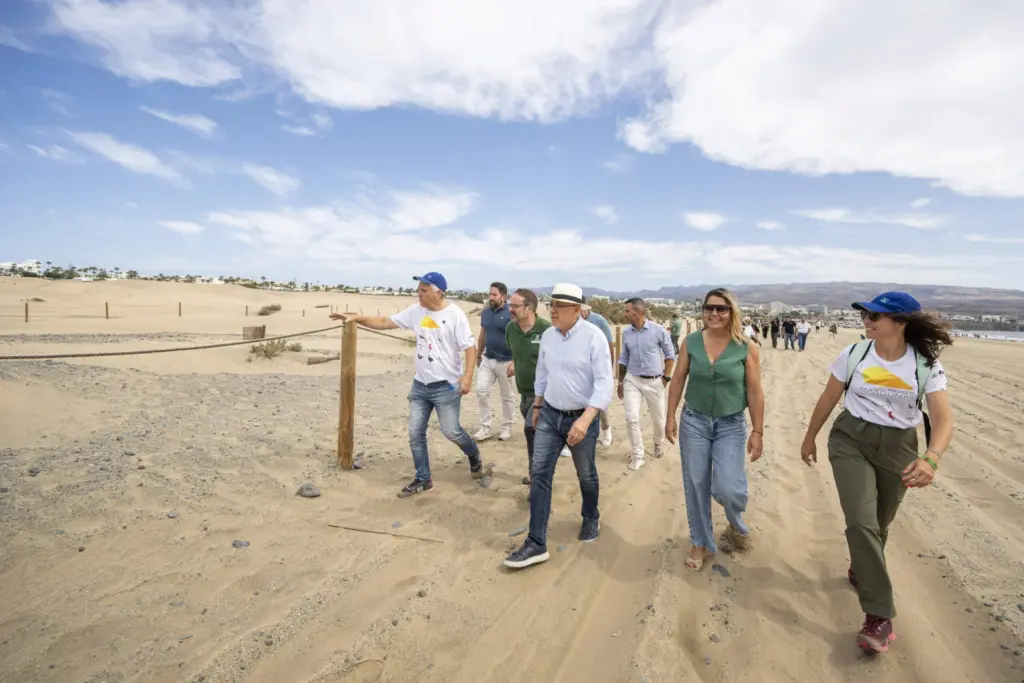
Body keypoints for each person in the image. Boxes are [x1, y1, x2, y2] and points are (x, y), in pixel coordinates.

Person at [799, 292, 953, 654]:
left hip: (899, 447)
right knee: (861, 522)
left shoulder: (925, 364)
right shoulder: (853, 355)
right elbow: (827, 399)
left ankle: (861, 568)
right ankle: (879, 616)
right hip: (850, 440)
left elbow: (944, 420)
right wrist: (810, 438)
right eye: (866, 314)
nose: (866, 320)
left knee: (879, 524)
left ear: (900, 323)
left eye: (876, 316)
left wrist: (931, 458)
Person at [330, 272, 490, 497]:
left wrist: (467, 377)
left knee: (452, 431)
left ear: (438, 293)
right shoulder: (416, 312)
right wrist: (356, 318)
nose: (419, 294)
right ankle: (423, 478)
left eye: (424, 290)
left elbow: (469, 347)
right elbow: (386, 322)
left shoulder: (455, 315)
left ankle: (473, 453)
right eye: (419, 290)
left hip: (446, 386)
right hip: (420, 386)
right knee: (415, 433)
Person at [504, 284, 613, 569]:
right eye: (551, 304)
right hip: (550, 414)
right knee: (540, 473)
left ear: (576, 310)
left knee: (585, 474)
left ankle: (591, 516)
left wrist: (586, 420)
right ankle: (536, 543)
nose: (552, 310)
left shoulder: (594, 338)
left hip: (582, 417)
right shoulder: (549, 337)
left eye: (559, 306)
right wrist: (538, 405)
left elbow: (604, 385)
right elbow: (543, 373)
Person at [665, 288, 764, 571]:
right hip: (694, 421)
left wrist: (758, 431)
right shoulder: (691, 342)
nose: (714, 313)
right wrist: (670, 416)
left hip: (730, 424)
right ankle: (701, 542)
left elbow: (755, 392)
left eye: (721, 309)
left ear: (732, 312)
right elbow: (678, 380)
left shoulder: (746, 347)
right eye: (709, 308)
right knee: (695, 483)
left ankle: (735, 523)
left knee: (727, 488)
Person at [617, 298, 676, 471]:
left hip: (655, 381)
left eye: (627, 311)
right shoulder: (627, 333)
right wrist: (621, 381)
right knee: (631, 417)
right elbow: (624, 358)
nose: (624, 314)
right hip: (632, 379)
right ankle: (638, 455)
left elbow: (670, 355)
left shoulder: (658, 331)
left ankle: (658, 443)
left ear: (639, 312)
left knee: (659, 420)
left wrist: (665, 378)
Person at [505, 288, 551, 486]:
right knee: (537, 439)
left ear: (529, 307)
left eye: (514, 306)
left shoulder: (547, 330)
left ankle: (539, 480)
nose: (510, 309)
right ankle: (537, 475)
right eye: (510, 305)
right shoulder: (510, 329)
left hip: (544, 395)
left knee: (532, 432)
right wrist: (515, 364)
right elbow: (515, 353)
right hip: (523, 394)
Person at [473, 282, 517, 442]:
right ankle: (486, 427)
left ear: (503, 297)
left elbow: (518, 337)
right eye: (490, 294)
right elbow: (482, 334)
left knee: (507, 396)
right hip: (487, 359)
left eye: (494, 295)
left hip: (506, 361)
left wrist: (515, 361)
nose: (491, 297)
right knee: (481, 391)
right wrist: (478, 355)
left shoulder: (511, 313)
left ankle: (507, 427)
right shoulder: (485, 312)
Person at [580, 306, 615, 447]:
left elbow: (609, 344)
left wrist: (609, 369)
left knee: (600, 401)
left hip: (597, 366)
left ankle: (606, 429)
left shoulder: (598, 321)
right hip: (580, 368)